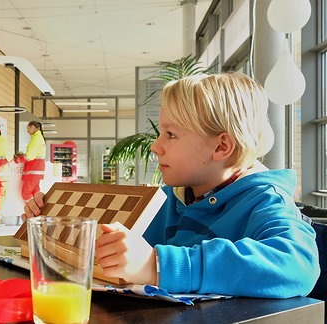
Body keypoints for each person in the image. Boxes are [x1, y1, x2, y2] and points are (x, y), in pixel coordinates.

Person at [23, 73, 320, 298]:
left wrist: (158, 265)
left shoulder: (265, 201)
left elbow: (299, 265)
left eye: (171, 134)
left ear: (221, 147)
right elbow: (107, 245)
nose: (155, 146)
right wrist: (48, 223)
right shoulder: (168, 199)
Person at [14, 121, 46, 202]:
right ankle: (38, 211)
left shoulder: (36, 139)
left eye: (28, 128)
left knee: (26, 193)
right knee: (36, 193)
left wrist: (17, 160)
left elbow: (29, 156)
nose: (27, 131)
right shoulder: (39, 138)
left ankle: (33, 210)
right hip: (36, 170)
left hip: (33, 170)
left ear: (33, 127)